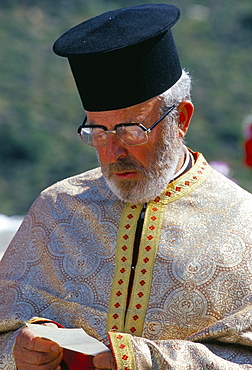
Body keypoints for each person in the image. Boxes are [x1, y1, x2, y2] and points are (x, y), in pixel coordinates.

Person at [1, 3, 252, 369]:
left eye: (131, 130)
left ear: (180, 119)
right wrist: (18, 353)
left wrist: (142, 360)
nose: (113, 152)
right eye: (97, 132)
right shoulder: (55, 210)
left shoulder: (243, 223)